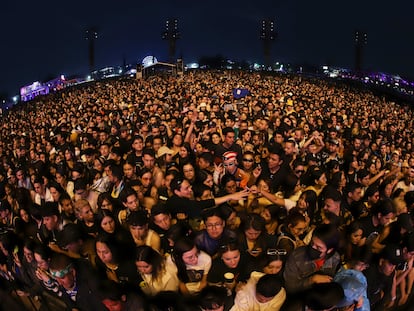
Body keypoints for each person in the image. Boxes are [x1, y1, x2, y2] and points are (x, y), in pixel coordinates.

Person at [283, 224, 341, 293]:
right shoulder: (296, 256)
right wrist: (311, 280)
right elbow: (289, 287)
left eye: (318, 247)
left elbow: (329, 279)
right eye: (312, 243)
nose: (313, 247)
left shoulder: (335, 258)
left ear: (330, 250)